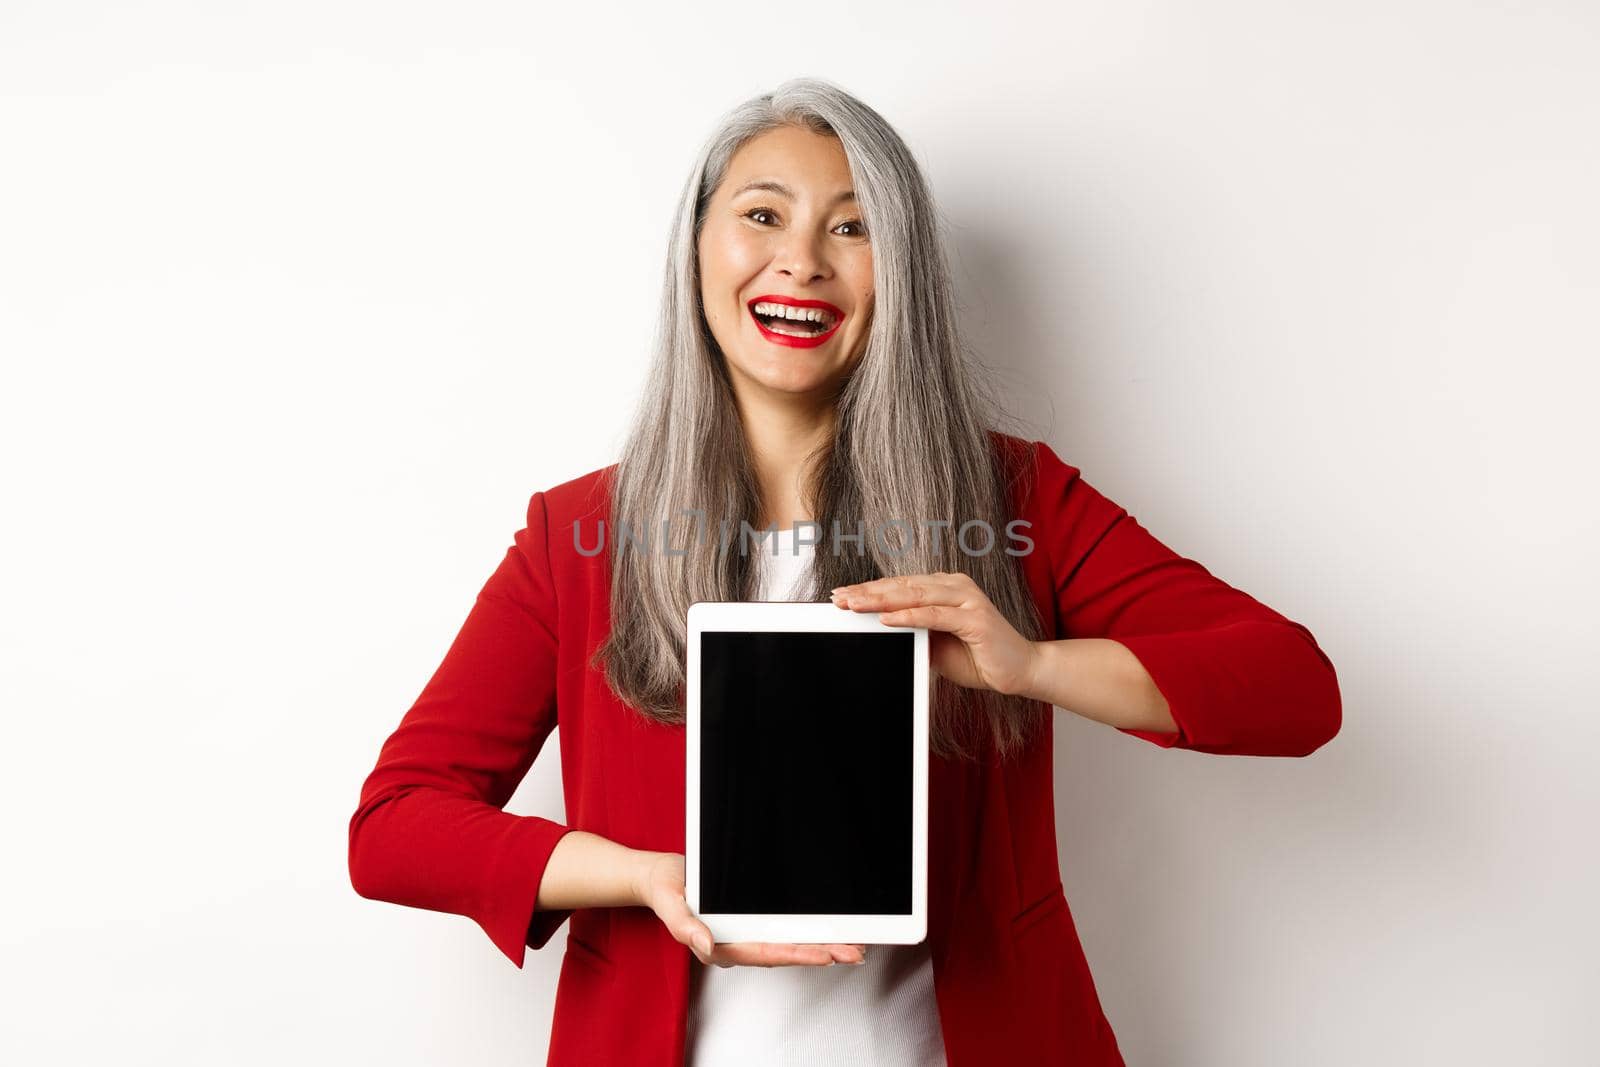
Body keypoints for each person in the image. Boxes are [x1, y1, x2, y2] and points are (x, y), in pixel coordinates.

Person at [347, 77, 1342, 1067]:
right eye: (762, 214)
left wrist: (1027, 663)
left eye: (853, 228)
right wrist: (643, 876)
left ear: (898, 273)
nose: (802, 261)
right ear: (697, 246)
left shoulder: (1014, 503)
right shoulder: (582, 533)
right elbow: (394, 824)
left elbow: (1294, 688)